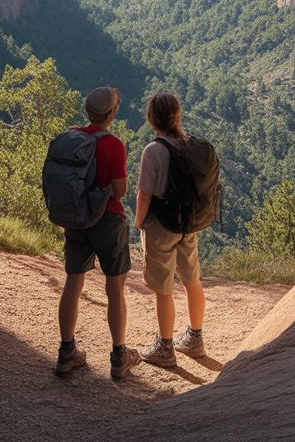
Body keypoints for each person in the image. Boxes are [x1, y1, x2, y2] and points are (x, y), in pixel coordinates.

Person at [55, 86, 141, 380]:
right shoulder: (114, 144)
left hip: (77, 219)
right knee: (115, 289)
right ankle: (119, 356)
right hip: (108, 221)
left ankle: (67, 352)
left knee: (73, 284)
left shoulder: (71, 136)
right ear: (113, 113)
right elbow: (119, 191)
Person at [134, 90, 207, 367]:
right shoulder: (188, 144)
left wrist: (140, 221)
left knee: (163, 288)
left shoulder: (153, 150)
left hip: (162, 225)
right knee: (192, 280)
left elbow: (144, 194)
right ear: (177, 115)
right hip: (189, 223)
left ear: (152, 118)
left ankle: (166, 349)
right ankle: (195, 339)